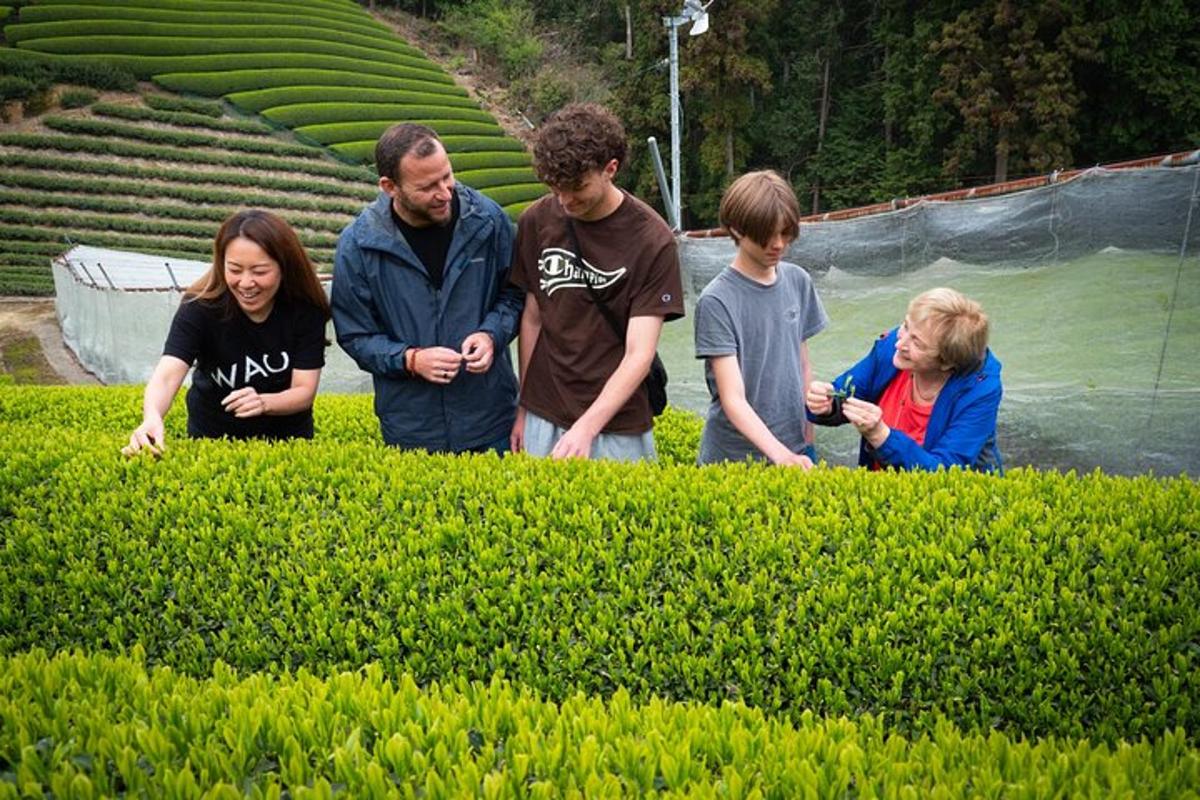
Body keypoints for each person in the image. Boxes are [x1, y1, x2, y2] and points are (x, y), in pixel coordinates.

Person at [509, 103, 685, 461]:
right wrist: (525, 407)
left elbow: (640, 353)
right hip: (545, 408)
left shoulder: (652, 240)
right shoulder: (537, 221)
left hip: (616, 421)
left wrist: (586, 429)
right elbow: (533, 316)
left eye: (577, 187)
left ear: (611, 169)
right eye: (556, 187)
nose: (565, 200)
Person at [331, 123, 522, 453]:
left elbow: (516, 294)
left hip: (490, 421)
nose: (445, 192)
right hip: (411, 429)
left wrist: (492, 334)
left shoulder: (488, 221)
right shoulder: (359, 246)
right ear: (390, 187)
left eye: (447, 176)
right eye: (428, 186)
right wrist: (410, 360)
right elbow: (355, 335)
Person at [123, 209, 330, 455]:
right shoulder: (199, 307)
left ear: (284, 267)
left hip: (288, 443)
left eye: (260, 271)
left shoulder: (305, 309)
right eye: (234, 269)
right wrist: (152, 416)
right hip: (211, 439)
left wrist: (264, 402)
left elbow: (304, 391)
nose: (245, 283)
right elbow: (167, 374)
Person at [695, 170, 828, 467]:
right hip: (733, 459)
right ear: (737, 230)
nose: (778, 244)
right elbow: (733, 398)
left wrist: (807, 438)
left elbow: (802, 363)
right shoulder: (717, 300)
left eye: (785, 233)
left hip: (796, 446)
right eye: (766, 235)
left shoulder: (798, 281)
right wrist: (781, 455)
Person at [805, 287, 1003, 472]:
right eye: (906, 326)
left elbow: (945, 470)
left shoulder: (981, 390)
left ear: (946, 362)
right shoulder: (891, 349)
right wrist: (826, 405)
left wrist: (880, 435)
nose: (900, 343)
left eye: (917, 342)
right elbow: (845, 393)